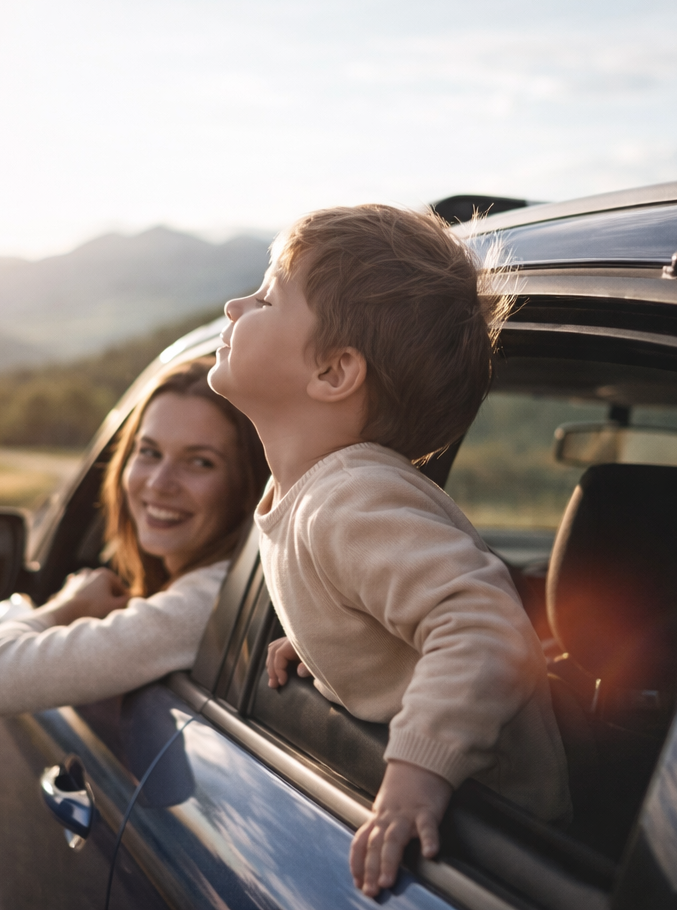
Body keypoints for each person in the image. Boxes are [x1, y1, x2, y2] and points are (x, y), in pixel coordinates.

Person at [210, 205, 569, 897]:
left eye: (265, 298)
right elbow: (388, 610)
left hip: (501, 823)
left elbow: (487, 628)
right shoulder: (324, 497)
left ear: (335, 371)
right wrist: (330, 648)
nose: (234, 305)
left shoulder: (348, 499)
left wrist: (414, 775)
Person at [0, 358, 269, 717]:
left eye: (200, 462)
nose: (159, 483)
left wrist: (71, 606)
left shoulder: (204, 602)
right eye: (149, 452)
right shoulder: (208, 594)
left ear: (247, 485)